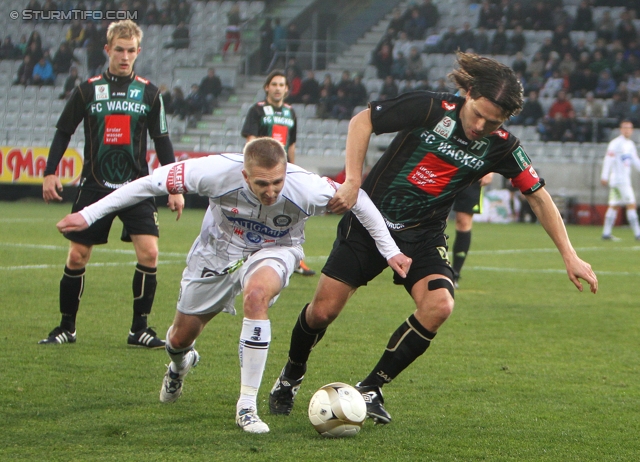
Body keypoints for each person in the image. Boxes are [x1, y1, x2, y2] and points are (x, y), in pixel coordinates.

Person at [269, 51, 598, 424]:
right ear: (469, 93)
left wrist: (569, 255)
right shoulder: (429, 107)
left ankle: (371, 388)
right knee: (323, 311)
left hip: (423, 235)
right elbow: (362, 122)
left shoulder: (503, 145)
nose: (480, 127)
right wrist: (354, 181)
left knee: (440, 304)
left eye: (493, 123)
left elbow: (538, 195)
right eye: (477, 115)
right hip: (370, 226)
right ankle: (291, 375)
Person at [55, 137, 412, 433]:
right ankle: (180, 365)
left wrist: (391, 251)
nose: (271, 191)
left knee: (256, 296)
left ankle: (246, 406)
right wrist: (88, 215)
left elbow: (359, 200)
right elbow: (147, 184)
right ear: (245, 175)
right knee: (178, 339)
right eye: (261, 184)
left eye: (277, 182)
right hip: (215, 253)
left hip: (276, 249)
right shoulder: (212, 172)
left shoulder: (307, 186)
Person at [38, 19, 184, 347]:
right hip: (93, 184)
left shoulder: (150, 93)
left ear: (138, 52)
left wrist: (174, 185)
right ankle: (66, 327)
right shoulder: (87, 89)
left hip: (137, 186)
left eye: (131, 50)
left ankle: (139, 330)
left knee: (149, 253)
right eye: (119, 49)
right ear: (107, 50)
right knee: (77, 256)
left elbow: (162, 140)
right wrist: (50, 171)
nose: (124, 56)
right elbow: (64, 131)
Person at [241, 70, 316, 276]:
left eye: (282, 85)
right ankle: (249, 252)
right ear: (267, 87)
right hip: (264, 174)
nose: (277, 88)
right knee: (258, 213)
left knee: (292, 212)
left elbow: (291, 143)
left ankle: (296, 258)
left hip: (283, 172)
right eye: (274, 84)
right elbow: (251, 141)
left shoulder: (290, 112)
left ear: (287, 89)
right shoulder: (257, 110)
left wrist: (292, 168)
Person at [450, 173, 493, 288]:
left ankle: (455, 274)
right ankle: (431, 272)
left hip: (472, 172)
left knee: (463, 223)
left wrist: (490, 171)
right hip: (445, 168)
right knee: (435, 219)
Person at [600, 120, 640, 241]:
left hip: (621, 180)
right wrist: (604, 176)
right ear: (621, 129)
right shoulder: (615, 144)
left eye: (629, 128)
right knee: (631, 204)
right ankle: (638, 233)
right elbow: (608, 160)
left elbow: (635, 161)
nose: (627, 130)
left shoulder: (630, 145)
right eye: (625, 128)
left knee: (613, 205)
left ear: (632, 130)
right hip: (620, 180)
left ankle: (606, 233)